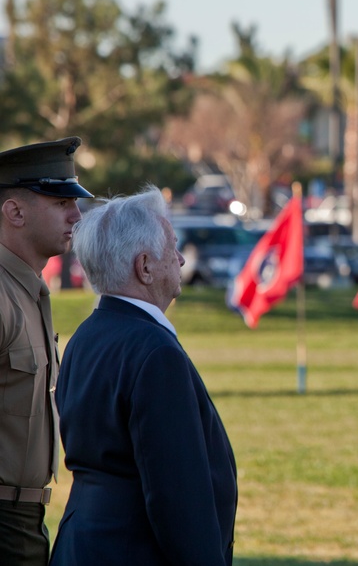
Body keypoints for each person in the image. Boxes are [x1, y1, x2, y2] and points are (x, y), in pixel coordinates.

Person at [50, 185, 238, 566]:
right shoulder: (155, 353)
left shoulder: (86, 336)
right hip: (133, 550)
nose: (182, 260)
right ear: (145, 266)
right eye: (172, 248)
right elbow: (177, 496)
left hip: (82, 545)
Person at [0, 137, 93, 565]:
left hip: (23, 519)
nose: (75, 214)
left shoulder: (26, 290)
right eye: (59, 201)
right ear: (14, 212)